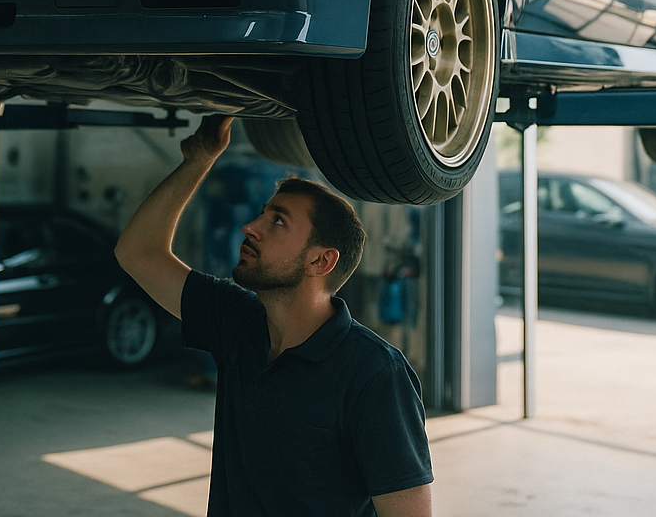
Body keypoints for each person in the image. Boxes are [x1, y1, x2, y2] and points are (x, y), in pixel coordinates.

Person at [115, 115, 434, 517]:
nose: (250, 227)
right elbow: (137, 253)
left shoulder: (374, 374)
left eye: (277, 221)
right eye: (263, 214)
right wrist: (198, 161)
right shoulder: (238, 322)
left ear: (320, 260)